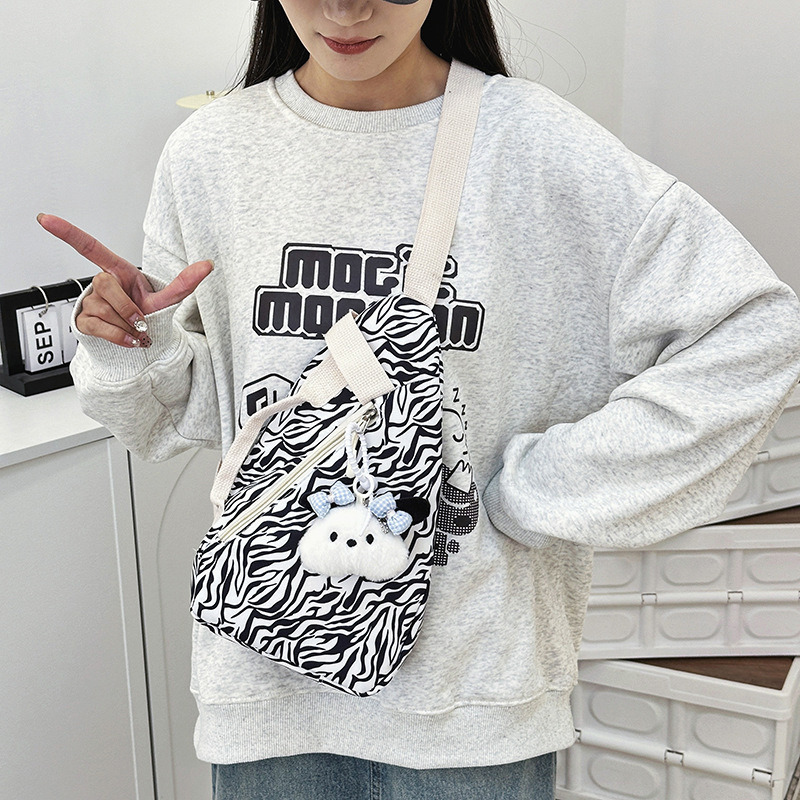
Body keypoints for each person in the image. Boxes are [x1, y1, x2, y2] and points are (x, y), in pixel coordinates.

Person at [38, 0, 800, 798]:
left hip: (474, 698)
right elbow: (202, 416)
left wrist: (537, 490)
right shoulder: (212, 152)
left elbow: (755, 333)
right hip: (267, 680)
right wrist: (127, 342)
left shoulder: (537, 146)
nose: (347, 8)